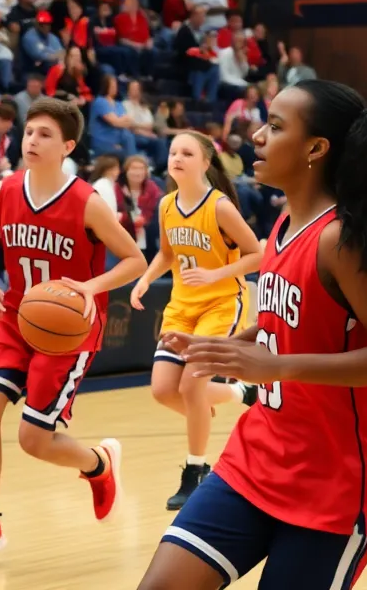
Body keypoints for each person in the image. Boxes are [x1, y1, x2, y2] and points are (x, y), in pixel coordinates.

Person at [137, 79, 367, 590]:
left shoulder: (340, 238)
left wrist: (280, 366)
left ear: (316, 148)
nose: (256, 136)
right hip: (257, 457)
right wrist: (232, 346)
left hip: (335, 484)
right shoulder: (282, 226)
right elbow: (287, 323)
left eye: (274, 126)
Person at [0, 97, 147, 568]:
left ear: (67, 146)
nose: (31, 140)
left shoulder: (88, 204)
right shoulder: (4, 191)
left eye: (44, 135)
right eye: (29, 131)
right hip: (16, 317)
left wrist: (89, 287)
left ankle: (98, 463)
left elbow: (135, 259)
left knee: (33, 440)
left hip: (70, 331)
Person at [130, 132, 262, 510]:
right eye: (173, 152)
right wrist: (144, 279)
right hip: (182, 306)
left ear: (205, 162)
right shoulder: (167, 204)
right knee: (161, 390)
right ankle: (241, 393)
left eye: (187, 153)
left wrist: (215, 276)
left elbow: (257, 255)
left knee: (191, 388)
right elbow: (166, 254)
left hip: (221, 304)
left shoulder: (219, 206)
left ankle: (195, 470)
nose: (177, 158)